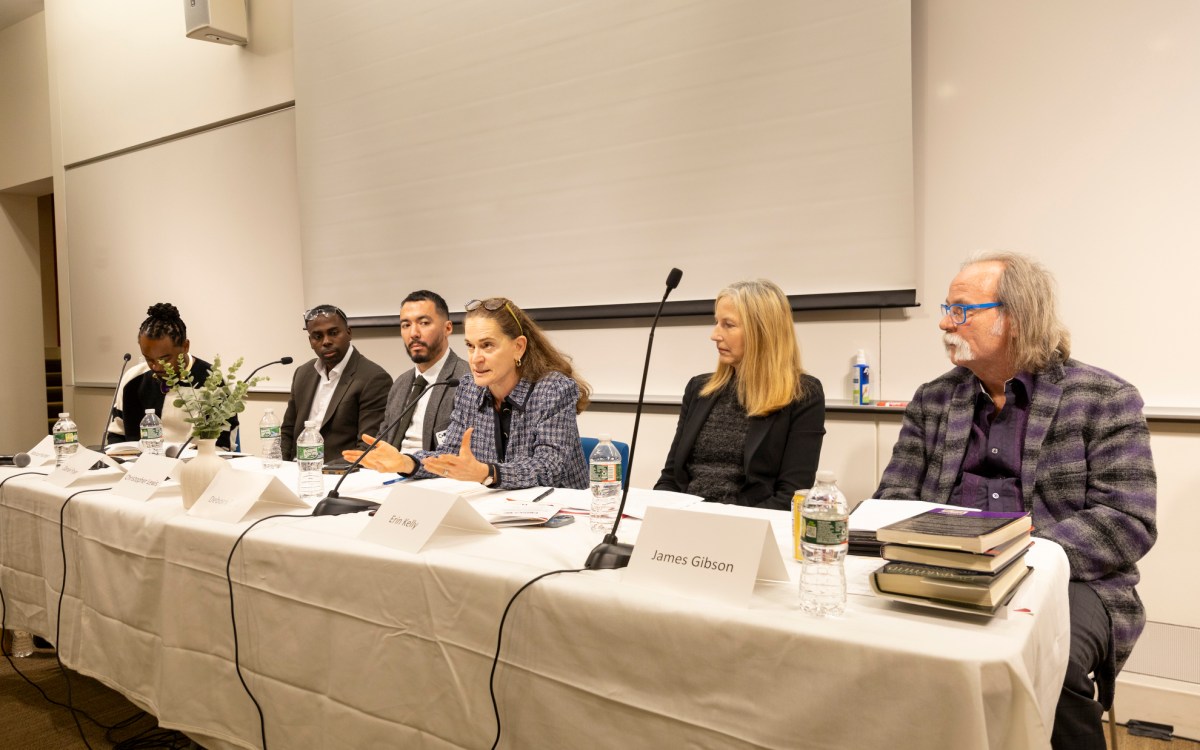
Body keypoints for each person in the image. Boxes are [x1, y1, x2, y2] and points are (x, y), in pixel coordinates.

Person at [874, 252, 1156, 750]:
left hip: (1069, 577)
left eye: (961, 310)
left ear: (1016, 318)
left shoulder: (1104, 397)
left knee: (1050, 661)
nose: (944, 322)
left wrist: (1015, 551)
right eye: (946, 307)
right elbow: (893, 498)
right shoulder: (934, 399)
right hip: (947, 565)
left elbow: (1127, 519)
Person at [345, 297, 589, 489]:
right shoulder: (469, 389)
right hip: (498, 509)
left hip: (559, 514)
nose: (476, 358)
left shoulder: (553, 389)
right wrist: (407, 463)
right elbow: (449, 454)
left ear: (518, 347)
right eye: (470, 346)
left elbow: (549, 467)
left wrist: (487, 473)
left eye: (487, 345)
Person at [654, 279, 825, 510]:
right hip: (686, 517)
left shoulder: (803, 394)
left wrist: (726, 521)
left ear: (762, 331)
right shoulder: (699, 389)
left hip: (747, 524)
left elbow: (790, 496)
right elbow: (670, 479)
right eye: (716, 322)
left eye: (728, 325)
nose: (715, 335)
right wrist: (658, 513)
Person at [106, 303, 237, 449]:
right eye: (149, 359)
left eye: (165, 359)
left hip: (192, 468)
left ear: (185, 346)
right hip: (138, 468)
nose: (156, 366)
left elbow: (222, 448)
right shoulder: (133, 380)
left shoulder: (212, 383)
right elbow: (116, 435)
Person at [280, 305, 392, 461]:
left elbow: (367, 449)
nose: (326, 341)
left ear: (349, 333)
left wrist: (323, 472)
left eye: (333, 333)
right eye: (317, 336)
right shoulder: (302, 373)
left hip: (337, 475)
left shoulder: (373, 378)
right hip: (296, 470)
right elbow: (287, 431)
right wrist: (280, 467)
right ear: (310, 341)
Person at [376, 291, 470, 452]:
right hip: (391, 473)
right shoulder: (400, 383)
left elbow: (457, 453)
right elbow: (383, 441)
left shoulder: (466, 379)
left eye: (424, 323)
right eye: (406, 325)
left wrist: (407, 465)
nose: (413, 333)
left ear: (447, 328)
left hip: (434, 473)